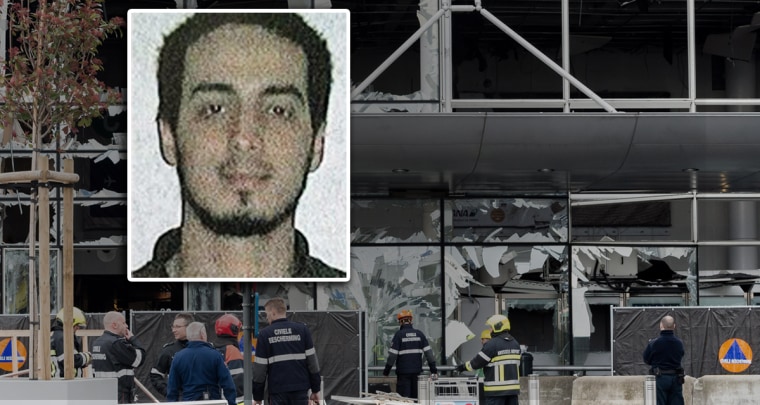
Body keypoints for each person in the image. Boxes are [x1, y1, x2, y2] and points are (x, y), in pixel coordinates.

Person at [130, 12, 346, 280]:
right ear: (169, 137)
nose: (244, 138)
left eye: (278, 110)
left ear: (316, 143)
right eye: (215, 108)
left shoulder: (363, 307)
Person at [253, 297, 322, 405]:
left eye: (267, 314)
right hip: (300, 389)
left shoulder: (265, 334)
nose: (267, 317)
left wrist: (257, 397)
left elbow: (259, 371)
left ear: (273, 312)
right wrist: (315, 389)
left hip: (277, 391)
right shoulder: (302, 330)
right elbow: (313, 364)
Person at [456, 314, 521, 405]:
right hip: (513, 391)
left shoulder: (492, 344)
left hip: (496, 392)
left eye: (491, 327)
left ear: (497, 327)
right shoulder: (515, 343)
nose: (490, 330)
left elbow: (477, 363)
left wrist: (463, 367)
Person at [166, 322, 237, 405]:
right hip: (212, 401)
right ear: (203, 335)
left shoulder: (178, 357)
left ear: (188, 336)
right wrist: (232, 402)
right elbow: (228, 384)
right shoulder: (215, 355)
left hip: (188, 401)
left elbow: (172, 388)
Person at [92, 311, 146, 404]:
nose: (127, 326)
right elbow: (139, 359)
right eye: (124, 323)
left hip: (103, 394)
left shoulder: (97, 342)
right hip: (120, 395)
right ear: (114, 325)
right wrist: (133, 339)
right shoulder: (116, 343)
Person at [382, 309, 438, 399]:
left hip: (403, 374)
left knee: (404, 400)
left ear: (400, 322)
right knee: (416, 398)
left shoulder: (399, 335)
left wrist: (386, 371)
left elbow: (392, 356)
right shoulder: (420, 334)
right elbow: (429, 355)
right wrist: (434, 370)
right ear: (411, 321)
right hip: (417, 374)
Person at [643, 315, 685, 405]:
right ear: (674, 326)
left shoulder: (654, 343)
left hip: (660, 378)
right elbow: (681, 355)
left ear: (661, 325)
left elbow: (646, 359)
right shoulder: (679, 343)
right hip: (676, 379)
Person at [150, 312, 194, 398]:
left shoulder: (204, 349)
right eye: (173, 327)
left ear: (189, 327)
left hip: (202, 399)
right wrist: (168, 392)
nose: (173, 330)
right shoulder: (168, 350)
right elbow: (155, 375)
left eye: (178, 327)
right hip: (179, 400)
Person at [50, 307, 91, 378]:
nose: (78, 328)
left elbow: (63, 360)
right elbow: (70, 361)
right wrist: (88, 356)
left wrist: (82, 363)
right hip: (64, 382)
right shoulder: (62, 337)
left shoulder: (57, 335)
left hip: (62, 381)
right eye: (77, 325)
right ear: (70, 322)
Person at [214, 313, 245, 403]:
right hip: (231, 401)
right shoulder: (232, 351)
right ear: (234, 330)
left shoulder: (212, 348)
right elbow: (238, 383)